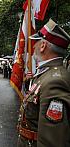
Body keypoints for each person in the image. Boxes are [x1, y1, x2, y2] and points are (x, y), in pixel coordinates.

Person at [17, 19, 70, 147]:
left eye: (36, 42)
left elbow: (52, 140)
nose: (33, 46)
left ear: (43, 46)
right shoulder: (46, 74)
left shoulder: (55, 81)